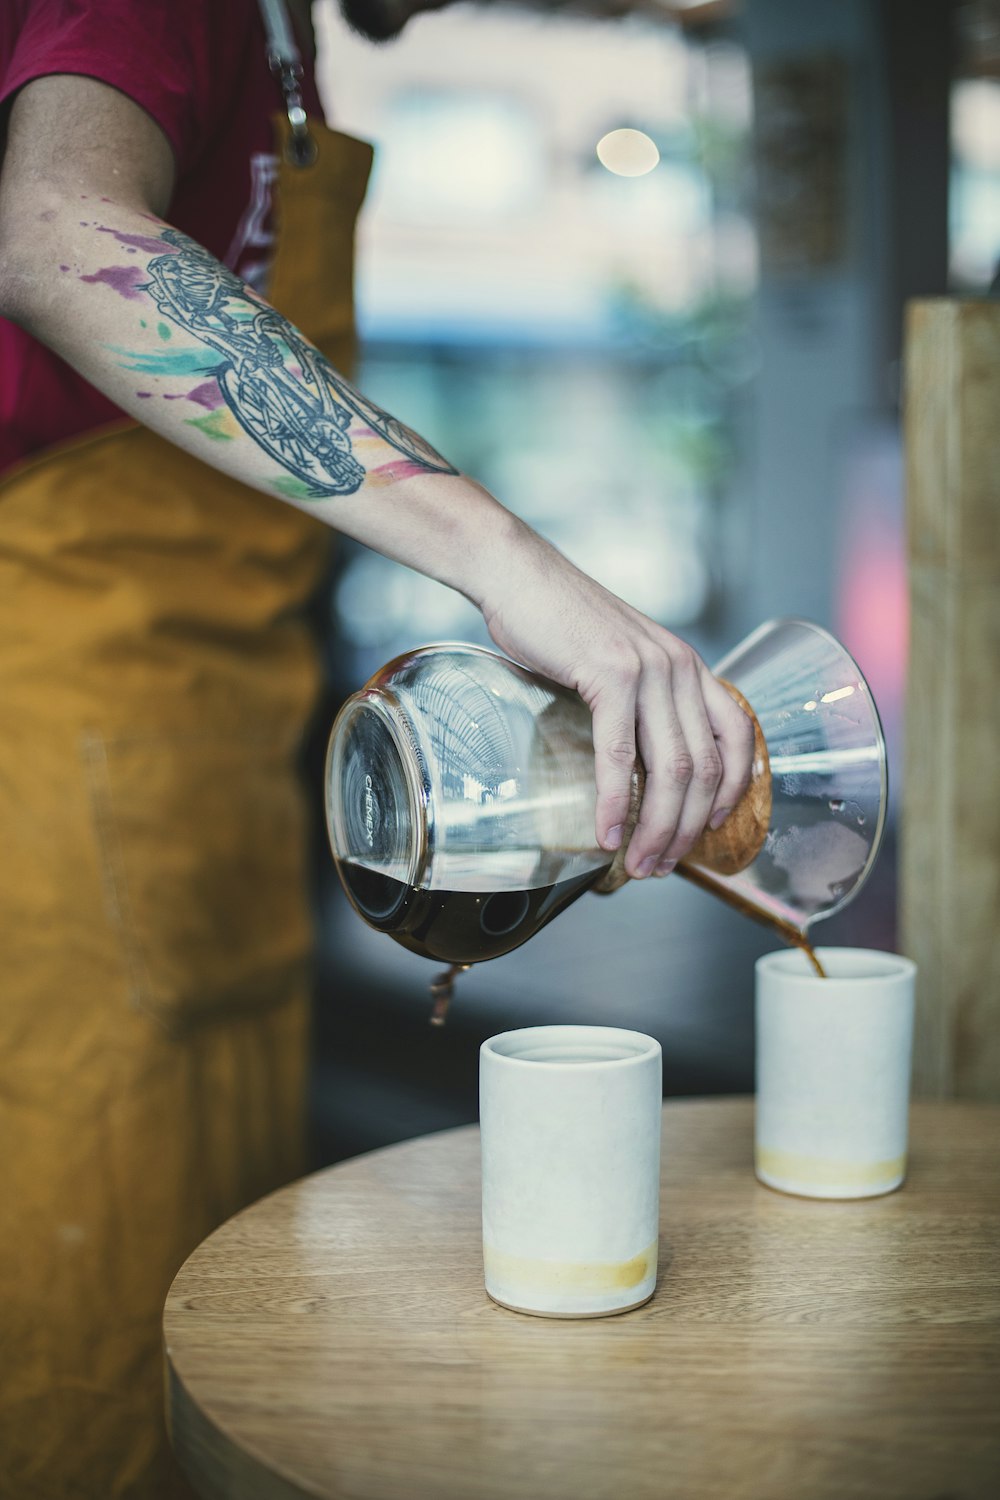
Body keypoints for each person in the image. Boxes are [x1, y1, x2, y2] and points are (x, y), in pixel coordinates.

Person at [0, 1, 753, 1495]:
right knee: (80, 1331)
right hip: (55, 749)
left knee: (201, 1284)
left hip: (206, 772)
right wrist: (503, 555)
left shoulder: (288, 39)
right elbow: (50, 227)